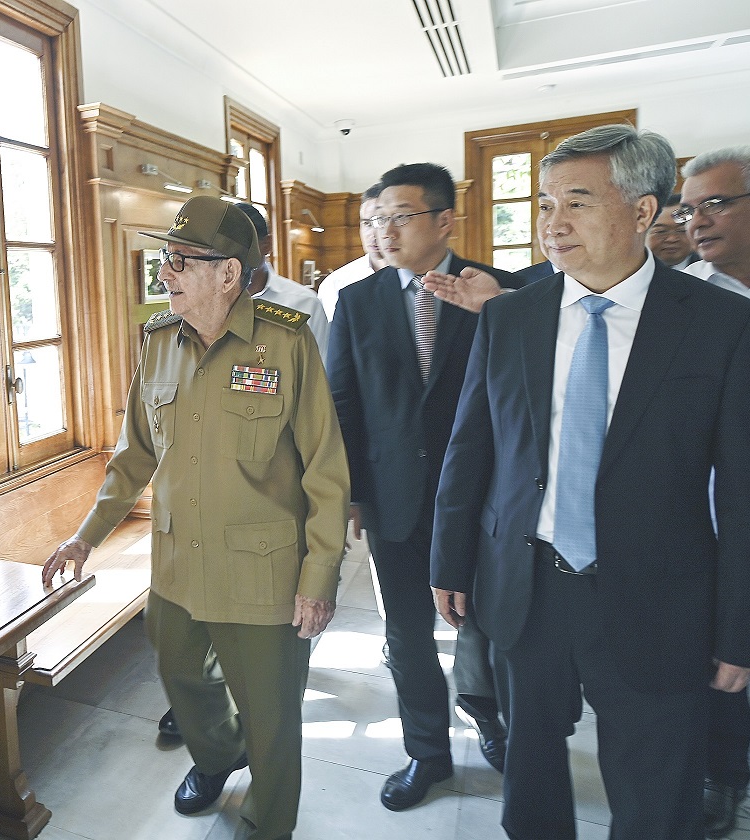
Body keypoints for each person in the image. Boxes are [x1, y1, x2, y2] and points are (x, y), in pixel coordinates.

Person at [430, 124, 750, 840]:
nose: (552, 223)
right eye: (547, 204)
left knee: (656, 792)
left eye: (576, 202)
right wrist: (450, 560)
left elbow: (747, 492)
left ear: (643, 212)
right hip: (526, 585)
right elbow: (472, 447)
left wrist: (742, 628)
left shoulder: (724, 325)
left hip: (659, 595)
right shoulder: (511, 318)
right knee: (530, 775)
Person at [43, 196, 350, 840]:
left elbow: (326, 468)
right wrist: (84, 536)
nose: (165, 274)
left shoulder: (286, 342)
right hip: (179, 563)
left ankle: (269, 822)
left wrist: (319, 576)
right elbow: (133, 456)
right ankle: (217, 755)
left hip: (264, 569)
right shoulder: (159, 343)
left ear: (228, 273)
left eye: (180, 261)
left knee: (271, 716)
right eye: (165, 260)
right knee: (181, 674)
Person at [327, 162, 518, 812]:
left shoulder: (501, 292)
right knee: (407, 635)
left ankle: (496, 725)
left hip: (488, 503)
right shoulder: (357, 302)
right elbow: (343, 401)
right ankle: (427, 753)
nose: (383, 231)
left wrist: (504, 309)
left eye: (399, 216)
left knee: (489, 628)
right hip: (396, 502)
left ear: (444, 220)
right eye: (377, 218)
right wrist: (351, 490)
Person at [679, 145, 750, 838]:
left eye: (716, 203)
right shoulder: (682, 303)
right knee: (723, 655)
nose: (696, 221)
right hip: (714, 516)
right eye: (688, 208)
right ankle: (725, 777)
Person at [233, 202, 331, 361]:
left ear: (267, 245)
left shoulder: (305, 304)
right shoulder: (207, 304)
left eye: (244, 243)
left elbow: (321, 373)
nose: (234, 254)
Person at [317, 183, 387, 321]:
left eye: (381, 222)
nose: (372, 234)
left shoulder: (419, 278)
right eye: (366, 224)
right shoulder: (336, 283)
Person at [646, 193, 699, 270]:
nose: (672, 239)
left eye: (681, 230)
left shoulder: (709, 271)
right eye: (661, 231)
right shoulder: (630, 271)